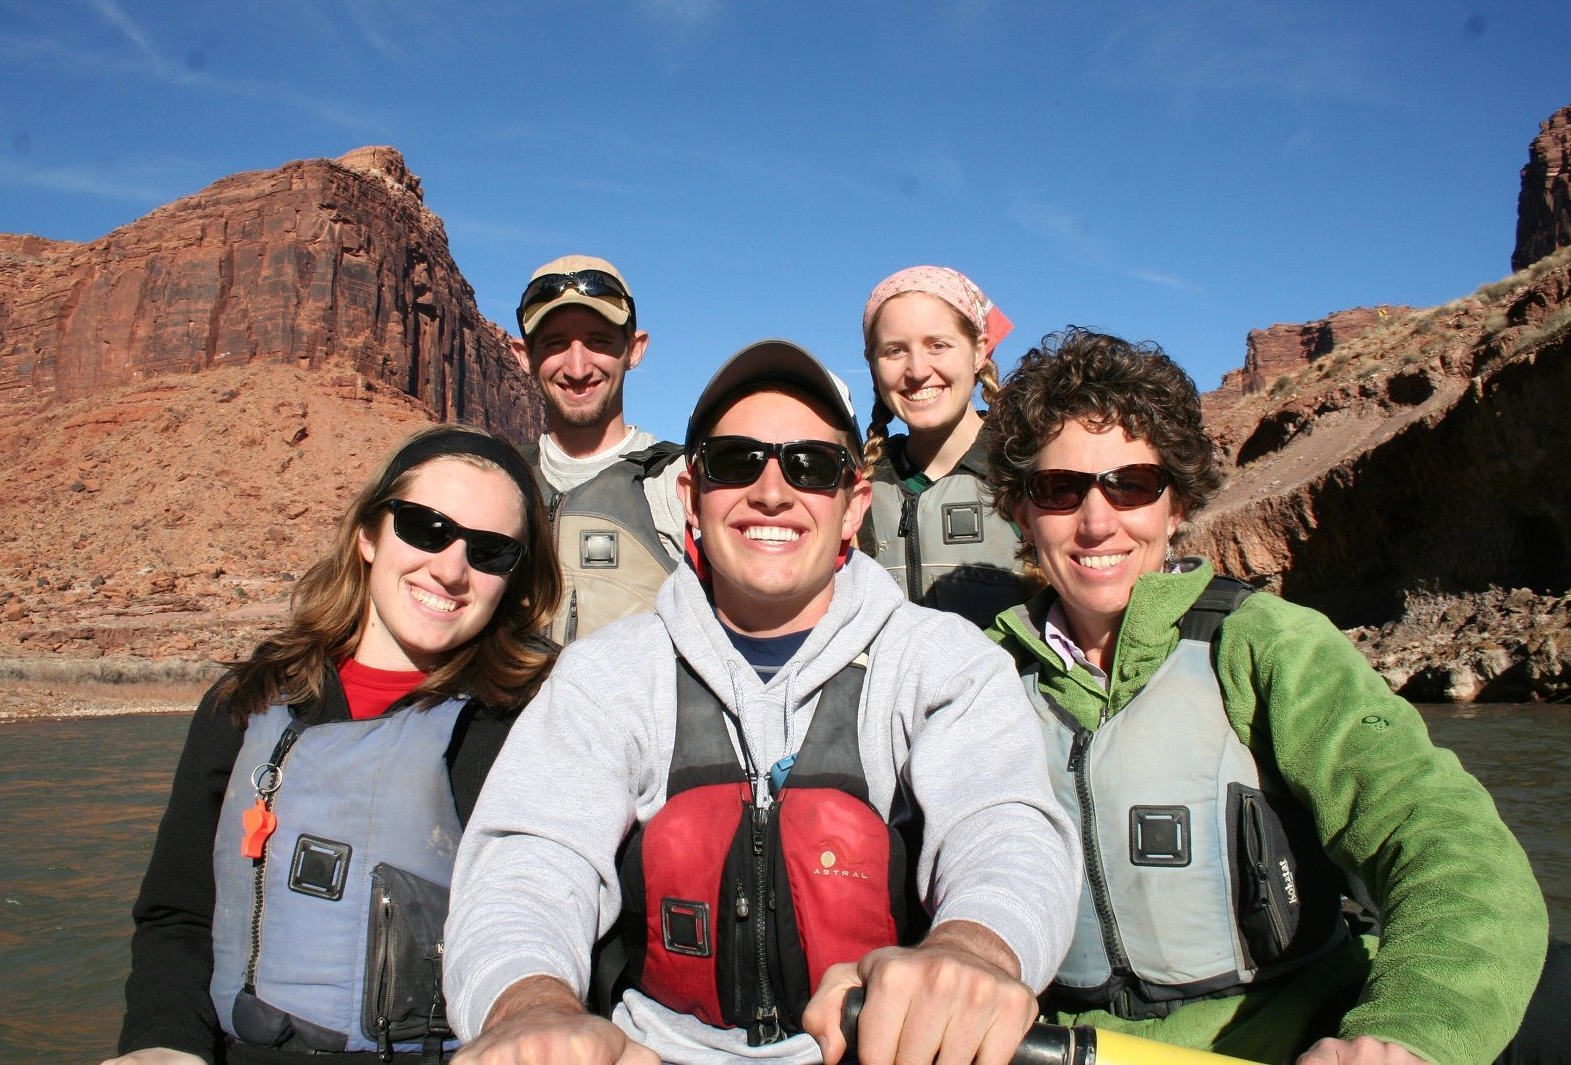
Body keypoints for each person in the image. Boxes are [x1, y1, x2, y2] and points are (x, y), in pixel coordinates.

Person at [443, 340, 1082, 1065]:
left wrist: (974, 947)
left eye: (811, 466)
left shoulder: (944, 665)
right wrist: (530, 1007)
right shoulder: (607, 677)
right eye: (735, 462)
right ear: (691, 497)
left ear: (852, 507)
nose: (772, 491)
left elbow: (1003, 826)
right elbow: (531, 861)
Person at [981, 327, 1551, 1065]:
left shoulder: (1271, 644)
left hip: (1287, 1041)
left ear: (1175, 504)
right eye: (1060, 490)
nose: (1097, 521)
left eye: (1132, 485)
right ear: (1022, 512)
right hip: (1059, 1048)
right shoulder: (984, 675)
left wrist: (1409, 1034)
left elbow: (1445, 842)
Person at [105, 425, 561, 1065]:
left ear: (514, 578)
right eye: (425, 528)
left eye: (490, 551)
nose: (451, 568)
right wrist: (163, 1043)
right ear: (368, 535)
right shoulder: (247, 701)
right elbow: (178, 915)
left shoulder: (532, 723)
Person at [510, 254, 688, 643]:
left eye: (598, 341)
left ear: (635, 349)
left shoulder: (680, 482)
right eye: (555, 343)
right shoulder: (499, 479)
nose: (577, 367)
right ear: (524, 357)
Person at [857, 265, 1035, 629]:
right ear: (873, 367)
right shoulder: (858, 492)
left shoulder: (1030, 475)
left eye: (937, 345)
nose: (918, 369)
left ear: (978, 351)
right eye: (895, 351)